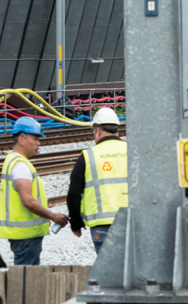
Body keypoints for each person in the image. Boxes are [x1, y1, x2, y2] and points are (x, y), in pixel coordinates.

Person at [0, 117, 68, 265]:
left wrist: (44, 217)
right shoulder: (20, 165)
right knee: (26, 279)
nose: (39, 143)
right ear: (21, 139)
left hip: (22, 234)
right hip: (26, 235)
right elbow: (28, 200)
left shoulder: (12, 161)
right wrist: (52, 216)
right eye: (35, 138)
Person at [67, 107, 128, 254]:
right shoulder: (132, 150)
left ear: (98, 130)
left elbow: (74, 194)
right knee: (132, 272)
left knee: (106, 273)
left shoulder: (88, 156)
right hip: (131, 222)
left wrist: (75, 223)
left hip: (102, 227)